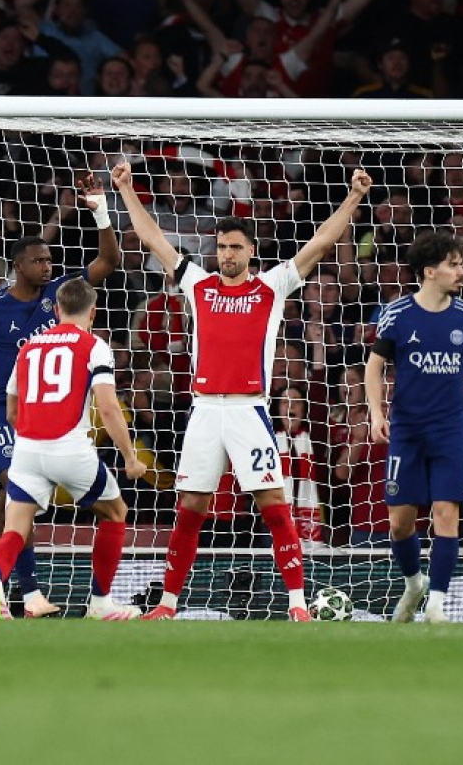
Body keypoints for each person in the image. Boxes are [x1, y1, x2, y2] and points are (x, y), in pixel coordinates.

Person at [112, 161, 373, 621]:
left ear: (251, 251)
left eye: (235, 247)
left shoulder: (272, 286)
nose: (227, 254)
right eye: (221, 247)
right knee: (191, 508)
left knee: (274, 505)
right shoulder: (198, 284)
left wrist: (353, 198)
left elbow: (319, 244)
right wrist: (127, 189)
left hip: (249, 411)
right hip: (204, 412)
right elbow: (152, 237)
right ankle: (167, 605)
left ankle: (297, 605)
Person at [0, 177, 121, 618]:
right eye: (38, 260)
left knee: (14, 507)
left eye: (49, 259)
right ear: (18, 266)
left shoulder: (60, 296)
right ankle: (27, 594)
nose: (47, 266)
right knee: (12, 492)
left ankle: (8, 590)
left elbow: (109, 261)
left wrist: (100, 212)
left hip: (41, 416)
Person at [0, 278, 147, 620]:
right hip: (70, 448)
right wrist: (130, 458)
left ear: (56, 310)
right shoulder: (94, 345)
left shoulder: (29, 348)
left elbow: (11, 411)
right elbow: (108, 407)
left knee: (15, 528)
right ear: (93, 312)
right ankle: (100, 604)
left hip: (27, 450)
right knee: (115, 512)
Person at [365, 233, 463, 624]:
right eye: (453, 265)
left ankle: (437, 604)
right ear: (429, 271)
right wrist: (376, 413)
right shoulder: (397, 314)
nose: (462, 272)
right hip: (406, 430)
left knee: (446, 514)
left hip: (450, 430)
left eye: (461, 264)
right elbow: (374, 365)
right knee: (399, 524)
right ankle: (414, 584)